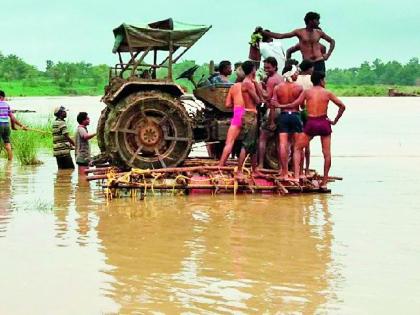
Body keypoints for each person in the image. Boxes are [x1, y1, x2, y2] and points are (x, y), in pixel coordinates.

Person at [284, 72, 346, 189]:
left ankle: (297, 176)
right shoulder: (327, 93)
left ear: (312, 81)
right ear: (322, 81)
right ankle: (325, 182)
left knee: (297, 148)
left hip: (311, 123)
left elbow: (297, 104)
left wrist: (281, 105)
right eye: (324, 80)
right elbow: (342, 106)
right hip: (324, 122)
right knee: (326, 154)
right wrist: (335, 120)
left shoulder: (307, 92)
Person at [261, 11, 335, 74]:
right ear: (311, 21)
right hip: (307, 63)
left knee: (320, 84)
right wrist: (263, 32)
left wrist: (328, 54)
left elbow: (332, 41)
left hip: (319, 61)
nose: (319, 22)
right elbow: (281, 36)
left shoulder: (319, 33)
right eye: (317, 20)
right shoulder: (300, 32)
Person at [271, 65, 303, 179]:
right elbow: (302, 105)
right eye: (295, 73)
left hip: (283, 116)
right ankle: (297, 174)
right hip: (295, 116)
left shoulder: (277, 88)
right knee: (297, 147)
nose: (297, 75)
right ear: (291, 73)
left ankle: (284, 172)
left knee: (283, 144)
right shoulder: (299, 87)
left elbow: (273, 104)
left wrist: (272, 121)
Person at [236, 60, 263, 174]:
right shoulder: (247, 83)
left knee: (254, 144)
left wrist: (256, 83)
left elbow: (260, 97)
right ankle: (239, 171)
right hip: (249, 114)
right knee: (247, 144)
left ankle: (254, 169)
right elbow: (258, 100)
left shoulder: (250, 82)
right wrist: (256, 85)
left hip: (252, 113)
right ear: (252, 70)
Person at [257, 57, 283, 170]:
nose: (266, 69)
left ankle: (261, 164)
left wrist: (259, 87)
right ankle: (281, 166)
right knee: (278, 139)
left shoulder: (272, 80)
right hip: (280, 110)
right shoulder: (280, 78)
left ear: (275, 67)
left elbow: (268, 96)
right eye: (265, 68)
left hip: (272, 110)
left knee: (262, 138)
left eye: (268, 67)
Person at [218, 68, 246, 166]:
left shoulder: (234, 87)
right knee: (251, 141)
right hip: (250, 112)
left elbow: (227, 104)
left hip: (238, 112)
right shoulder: (251, 86)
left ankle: (221, 165)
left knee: (230, 141)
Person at [295, 60, 315, 174]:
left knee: (298, 143)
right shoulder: (312, 79)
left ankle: (298, 169)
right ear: (308, 68)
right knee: (306, 143)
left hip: (297, 110)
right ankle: (306, 169)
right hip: (308, 111)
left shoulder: (295, 79)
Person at [0, 90, 27, 160]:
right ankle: (10, 161)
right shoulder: (6, 105)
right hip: (6, 125)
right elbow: (12, 117)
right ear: (2, 97)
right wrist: (18, 126)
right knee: (7, 143)